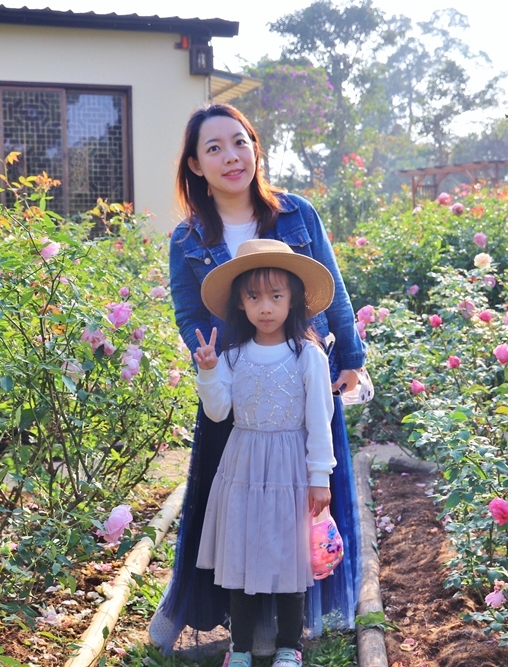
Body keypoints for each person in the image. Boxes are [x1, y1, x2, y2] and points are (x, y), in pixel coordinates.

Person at [150, 103, 364, 654]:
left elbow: (332, 290)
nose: (230, 156)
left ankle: (286, 623)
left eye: (239, 142)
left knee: (304, 500)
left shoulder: (296, 214)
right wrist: (218, 367)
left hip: (301, 375)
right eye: (213, 148)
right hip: (237, 385)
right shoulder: (189, 237)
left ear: (255, 147)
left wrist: (351, 355)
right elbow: (190, 313)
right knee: (231, 507)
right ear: (195, 165)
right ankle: (227, 618)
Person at [193, 238, 337, 667]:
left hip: (290, 465)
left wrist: (319, 477)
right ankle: (239, 650)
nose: (266, 307)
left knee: (288, 556)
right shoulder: (233, 355)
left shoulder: (306, 354)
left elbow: (319, 418)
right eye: (254, 297)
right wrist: (208, 370)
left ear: (292, 300)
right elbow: (218, 411)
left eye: (276, 296)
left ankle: (289, 647)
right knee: (240, 552)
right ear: (241, 303)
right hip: (243, 462)